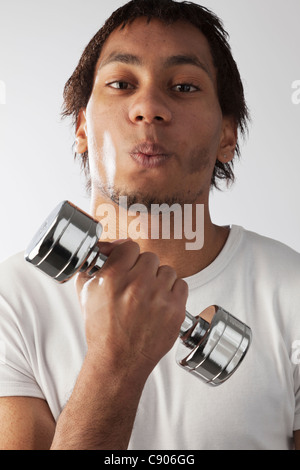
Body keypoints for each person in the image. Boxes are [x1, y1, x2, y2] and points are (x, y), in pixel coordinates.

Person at [0, 0, 299, 450]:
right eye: (122, 83)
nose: (148, 107)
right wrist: (115, 364)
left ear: (226, 136)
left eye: (183, 86)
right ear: (81, 126)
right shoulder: (11, 303)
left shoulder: (293, 292)